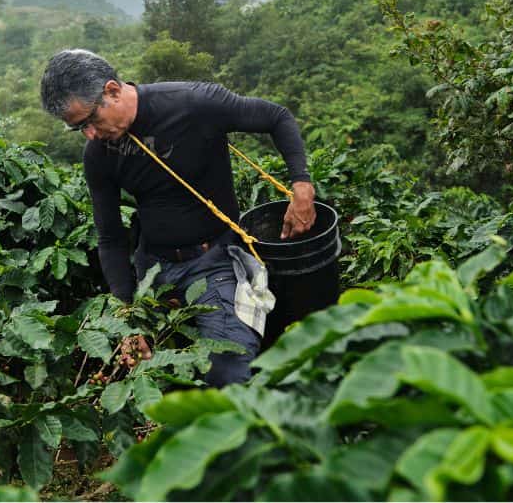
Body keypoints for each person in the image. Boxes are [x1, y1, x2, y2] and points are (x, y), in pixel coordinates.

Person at [40, 48, 316, 386]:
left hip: (213, 261)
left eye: (90, 121)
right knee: (151, 374)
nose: (91, 135)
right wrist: (128, 315)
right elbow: (110, 237)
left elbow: (276, 117)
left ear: (112, 90)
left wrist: (301, 186)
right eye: (78, 128)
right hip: (154, 270)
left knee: (227, 372)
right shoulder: (99, 154)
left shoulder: (191, 103)